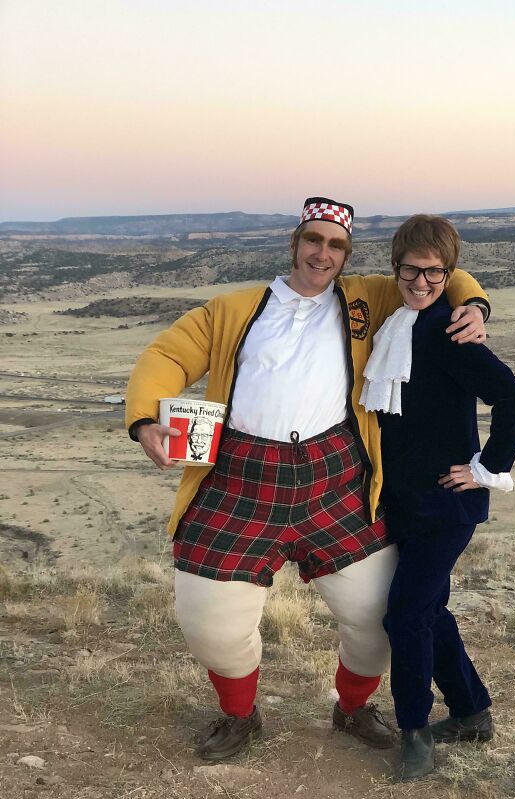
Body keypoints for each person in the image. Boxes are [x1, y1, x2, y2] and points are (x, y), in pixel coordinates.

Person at [125, 196, 490, 762]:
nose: (323, 253)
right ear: (294, 243)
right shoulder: (233, 309)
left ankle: (353, 709)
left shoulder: (370, 297)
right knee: (210, 623)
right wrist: (146, 419)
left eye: (336, 245)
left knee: (377, 617)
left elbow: (443, 270)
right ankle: (240, 715)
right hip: (239, 481)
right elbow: (168, 356)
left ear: (347, 255)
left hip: (336, 480)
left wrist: (476, 305)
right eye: (314, 240)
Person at [360, 214, 515, 781]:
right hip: (405, 500)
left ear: (449, 274)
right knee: (430, 610)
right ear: (396, 267)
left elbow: (514, 399)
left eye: (435, 273)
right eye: (412, 270)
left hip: (445, 505)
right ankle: (472, 712)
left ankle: (414, 732)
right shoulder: (396, 326)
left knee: (405, 616)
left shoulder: (448, 332)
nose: (422, 282)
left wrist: (486, 470)